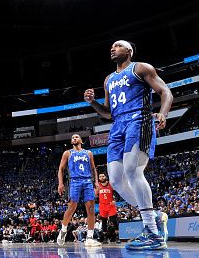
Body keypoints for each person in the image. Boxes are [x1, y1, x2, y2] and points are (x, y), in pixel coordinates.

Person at [84, 40, 172, 250]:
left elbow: (166, 92)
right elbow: (108, 113)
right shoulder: (108, 80)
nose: (112, 49)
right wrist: (93, 103)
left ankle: (152, 232)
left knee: (133, 171)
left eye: (117, 46)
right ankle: (156, 216)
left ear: (129, 51)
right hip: (117, 126)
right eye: (111, 47)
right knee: (115, 179)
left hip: (138, 120)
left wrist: (163, 113)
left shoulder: (140, 68)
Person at [56, 134, 102, 247]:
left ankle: (90, 237)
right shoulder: (68, 153)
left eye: (76, 137)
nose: (74, 138)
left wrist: (96, 182)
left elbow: (93, 168)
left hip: (87, 181)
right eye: (72, 138)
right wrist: (60, 183)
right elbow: (61, 169)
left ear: (81, 140)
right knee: (71, 207)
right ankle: (63, 230)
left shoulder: (88, 153)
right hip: (74, 181)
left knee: (91, 209)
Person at [97, 173, 119, 243]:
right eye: (100, 176)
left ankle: (117, 237)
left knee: (114, 221)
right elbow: (95, 195)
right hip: (102, 206)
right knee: (104, 222)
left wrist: (115, 200)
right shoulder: (98, 186)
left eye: (103, 176)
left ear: (105, 177)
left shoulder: (111, 184)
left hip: (110, 206)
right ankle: (105, 238)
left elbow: (118, 193)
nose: (101, 177)